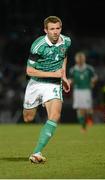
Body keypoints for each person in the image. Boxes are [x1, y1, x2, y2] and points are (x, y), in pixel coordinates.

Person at [23, 16, 71, 163]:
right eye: (52, 29)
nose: (55, 32)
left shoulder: (67, 41)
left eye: (58, 28)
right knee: (28, 118)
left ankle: (37, 152)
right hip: (36, 83)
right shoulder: (38, 45)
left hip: (53, 84)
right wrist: (53, 73)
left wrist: (63, 76)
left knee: (55, 115)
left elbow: (64, 56)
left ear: (61, 28)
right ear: (46, 30)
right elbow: (29, 71)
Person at [69, 51, 98, 132]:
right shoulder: (73, 70)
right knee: (80, 109)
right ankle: (83, 127)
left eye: (82, 58)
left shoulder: (89, 68)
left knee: (88, 110)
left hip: (86, 91)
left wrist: (93, 81)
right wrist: (69, 82)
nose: (80, 60)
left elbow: (95, 77)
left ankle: (89, 118)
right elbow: (71, 79)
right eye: (79, 59)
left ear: (84, 59)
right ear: (76, 60)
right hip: (77, 91)